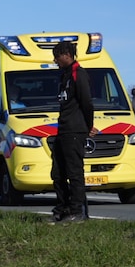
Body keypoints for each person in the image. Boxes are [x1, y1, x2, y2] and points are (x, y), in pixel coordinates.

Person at [50, 40, 98, 223]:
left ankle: (78, 211)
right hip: (62, 130)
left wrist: (88, 126)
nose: (55, 60)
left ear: (67, 55)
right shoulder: (64, 75)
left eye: (57, 57)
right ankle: (62, 208)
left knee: (74, 172)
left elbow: (87, 103)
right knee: (58, 172)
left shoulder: (79, 74)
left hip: (75, 131)